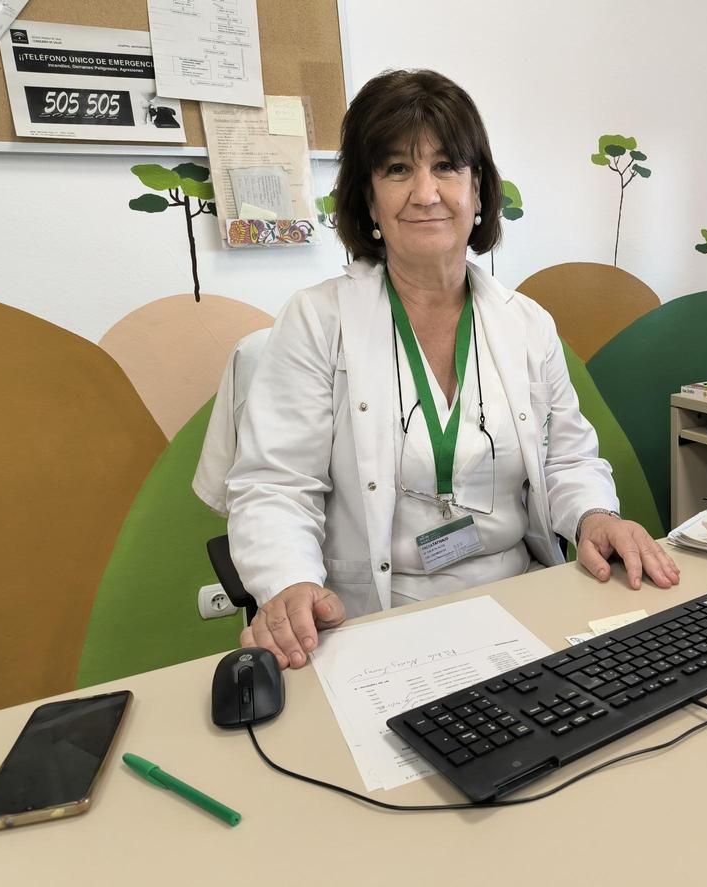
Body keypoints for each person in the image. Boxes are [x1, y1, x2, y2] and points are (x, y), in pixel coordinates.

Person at [227, 69, 679, 670]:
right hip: (376, 617)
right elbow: (276, 484)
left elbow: (567, 458)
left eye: (446, 166)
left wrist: (596, 515)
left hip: (521, 601)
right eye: (396, 169)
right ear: (368, 199)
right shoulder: (317, 321)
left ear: (478, 190)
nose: (425, 191)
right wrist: (287, 581)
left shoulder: (527, 325)